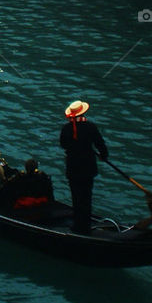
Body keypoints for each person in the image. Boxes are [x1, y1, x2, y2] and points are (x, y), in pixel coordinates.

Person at [59, 99, 108, 234]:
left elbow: (63, 144)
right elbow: (100, 144)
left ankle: (78, 225)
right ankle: (85, 225)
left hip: (73, 167)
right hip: (88, 168)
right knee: (86, 196)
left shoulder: (66, 128)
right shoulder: (91, 127)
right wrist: (103, 155)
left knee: (76, 196)